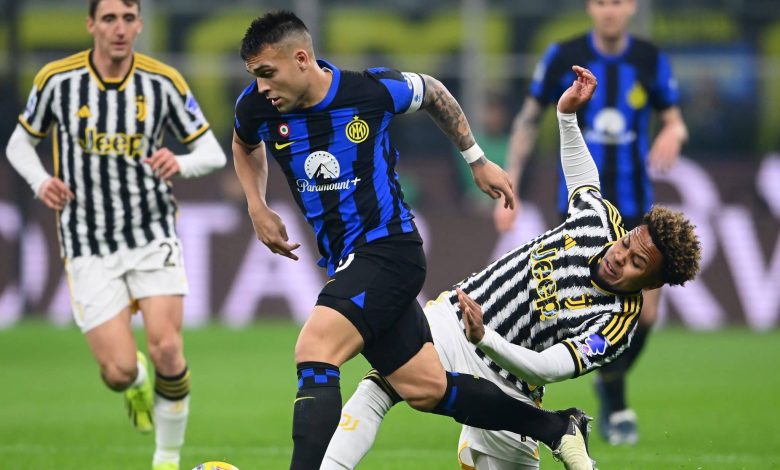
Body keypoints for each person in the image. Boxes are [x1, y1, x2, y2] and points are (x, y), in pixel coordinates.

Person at [232, 11, 595, 470]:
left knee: (315, 348)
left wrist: (477, 159)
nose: (262, 86)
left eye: (268, 73)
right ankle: (555, 428)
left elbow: (435, 93)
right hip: (346, 259)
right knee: (426, 388)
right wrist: (256, 205)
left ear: (301, 59)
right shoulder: (258, 105)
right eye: (255, 76)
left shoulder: (371, 91)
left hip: (389, 251)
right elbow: (244, 145)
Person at [323, 65, 701, 469]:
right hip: (454, 321)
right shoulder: (600, 222)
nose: (619, 256)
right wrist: (566, 116)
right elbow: (582, 176)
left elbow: (549, 367)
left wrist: (487, 338)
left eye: (636, 263)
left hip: (513, 385)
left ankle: (553, 431)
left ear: (652, 282)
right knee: (379, 387)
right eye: (627, 242)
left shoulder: (617, 324)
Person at [5, 1, 227, 469]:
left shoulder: (163, 82)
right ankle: (135, 383)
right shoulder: (57, 81)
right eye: (109, 19)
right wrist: (41, 181)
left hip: (151, 231)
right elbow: (20, 143)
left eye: (128, 18)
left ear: (140, 24)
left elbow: (211, 151)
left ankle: (165, 459)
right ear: (91, 25)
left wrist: (180, 162)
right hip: (86, 240)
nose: (119, 28)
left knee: (168, 347)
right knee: (118, 370)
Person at [493, 0, 689, 445]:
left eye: (617, 2)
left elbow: (674, 120)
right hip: (584, 207)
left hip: (636, 207)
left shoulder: (648, 58)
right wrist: (511, 183)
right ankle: (612, 404)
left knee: (648, 313)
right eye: (601, 2)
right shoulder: (563, 55)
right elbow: (528, 119)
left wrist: (673, 132)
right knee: (568, 304)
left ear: (632, 7)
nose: (609, 11)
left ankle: (609, 382)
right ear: (590, 7)